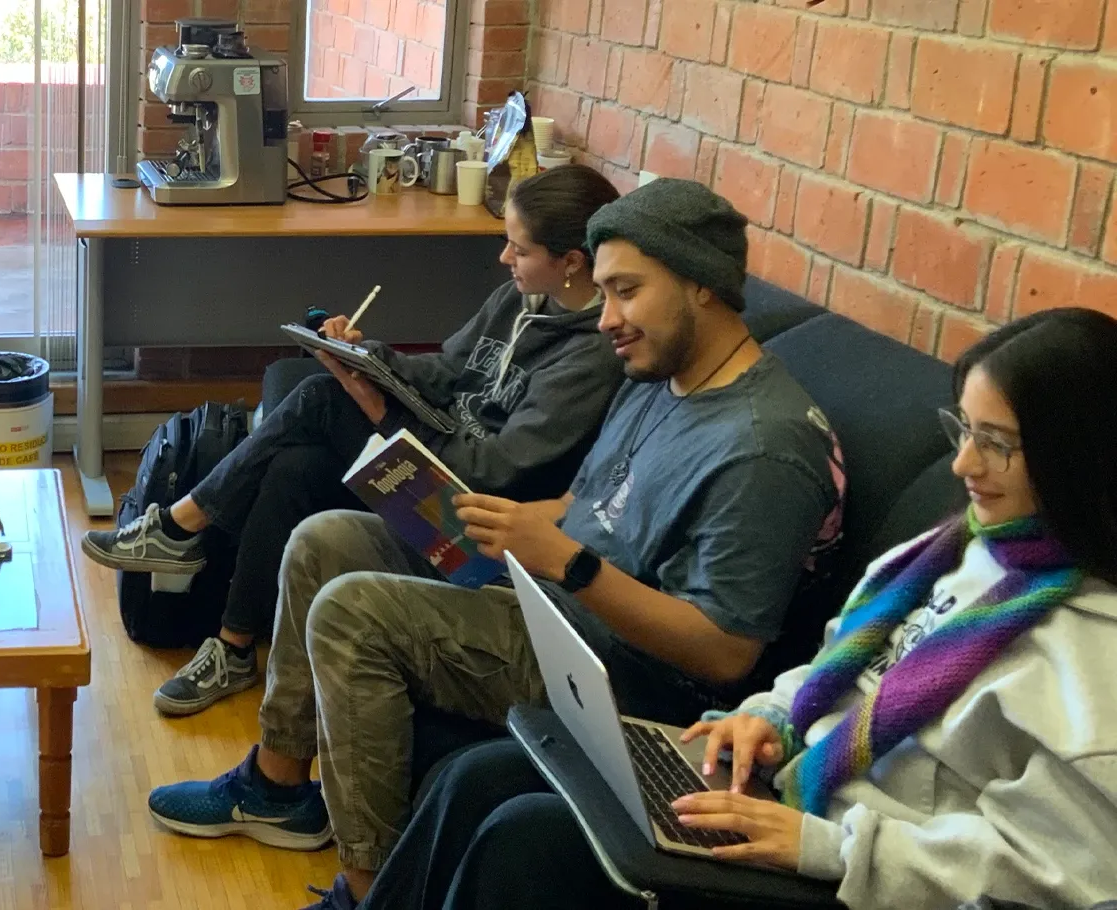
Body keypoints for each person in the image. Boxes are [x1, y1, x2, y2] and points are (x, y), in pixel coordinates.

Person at [145, 178, 845, 909]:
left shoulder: (766, 448)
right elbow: (584, 502)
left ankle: (371, 890)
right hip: (546, 593)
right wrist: (479, 521)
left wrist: (566, 563)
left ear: (702, 282)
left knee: (355, 612)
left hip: (615, 669)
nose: (608, 320)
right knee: (326, 541)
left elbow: (724, 650)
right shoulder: (659, 375)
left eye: (627, 291)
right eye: (603, 294)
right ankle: (277, 786)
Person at [362, 307, 1117, 910]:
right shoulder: (959, 548)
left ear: (1080, 456)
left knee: (532, 840)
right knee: (482, 776)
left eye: (997, 444)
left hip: (847, 870)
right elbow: (832, 668)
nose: (962, 465)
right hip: (788, 794)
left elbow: (1059, 880)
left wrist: (824, 848)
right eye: (964, 431)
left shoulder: (1093, 664)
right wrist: (768, 717)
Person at [82, 165, 627, 717]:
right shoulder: (519, 299)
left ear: (571, 263)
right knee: (293, 465)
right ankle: (234, 645)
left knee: (321, 398)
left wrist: (385, 416)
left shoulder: (589, 359)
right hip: (439, 454)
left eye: (519, 249)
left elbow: (491, 471)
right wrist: (371, 358)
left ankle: (180, 528)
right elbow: (445, 370)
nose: (504, 259)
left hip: (465, 517)